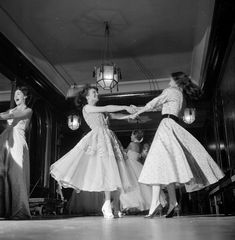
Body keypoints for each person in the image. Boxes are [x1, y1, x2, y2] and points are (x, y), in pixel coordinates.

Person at [126, 71, 224, 218]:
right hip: (173, 126)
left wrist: (136, 113)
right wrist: (140, 108)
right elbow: (158, 106)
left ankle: (156, 204)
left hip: (166, 127)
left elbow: (155, 103)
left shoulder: (170, 91)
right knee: (167, 166)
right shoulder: (181, 96)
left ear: (177, 82)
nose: (168, 81)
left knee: (157, 164)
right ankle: (173, 202)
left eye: (171, 79)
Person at [50, 85, 136, 219]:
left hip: (108, 138)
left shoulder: (99, 111)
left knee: (111, 171)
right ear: (87, 97)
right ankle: (107, 204)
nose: (97, 94)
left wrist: (131, 114)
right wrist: (125, 106)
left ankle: (109, 204)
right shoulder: (87, 108)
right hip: (98, 139)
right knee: (106, 171)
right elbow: (107, 108)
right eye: (94, 92)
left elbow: (113, 114)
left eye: (97, 92)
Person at [0, 86, 32, 219]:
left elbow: (14, 116)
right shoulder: (10, 110)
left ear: (25, 96)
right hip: (6, 141)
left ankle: (20, 210)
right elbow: (7, 119)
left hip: (18, 141)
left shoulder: (28, 110)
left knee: (17, 174)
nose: (16, 96)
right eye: (15, 94)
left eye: (19, 94)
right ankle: (5, 210)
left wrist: (2, 115)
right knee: (4, 175)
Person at [120, 130, 167, 213]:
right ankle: (155, 203)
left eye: (131, 135)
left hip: (130, 165)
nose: (130, 136)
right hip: (137, 165)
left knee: (132, 184)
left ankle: (131, 204)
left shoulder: (131, 144)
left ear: (134, 136)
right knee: (143, 186)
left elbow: (124, 151)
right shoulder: (140, 145)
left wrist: (118, 147)